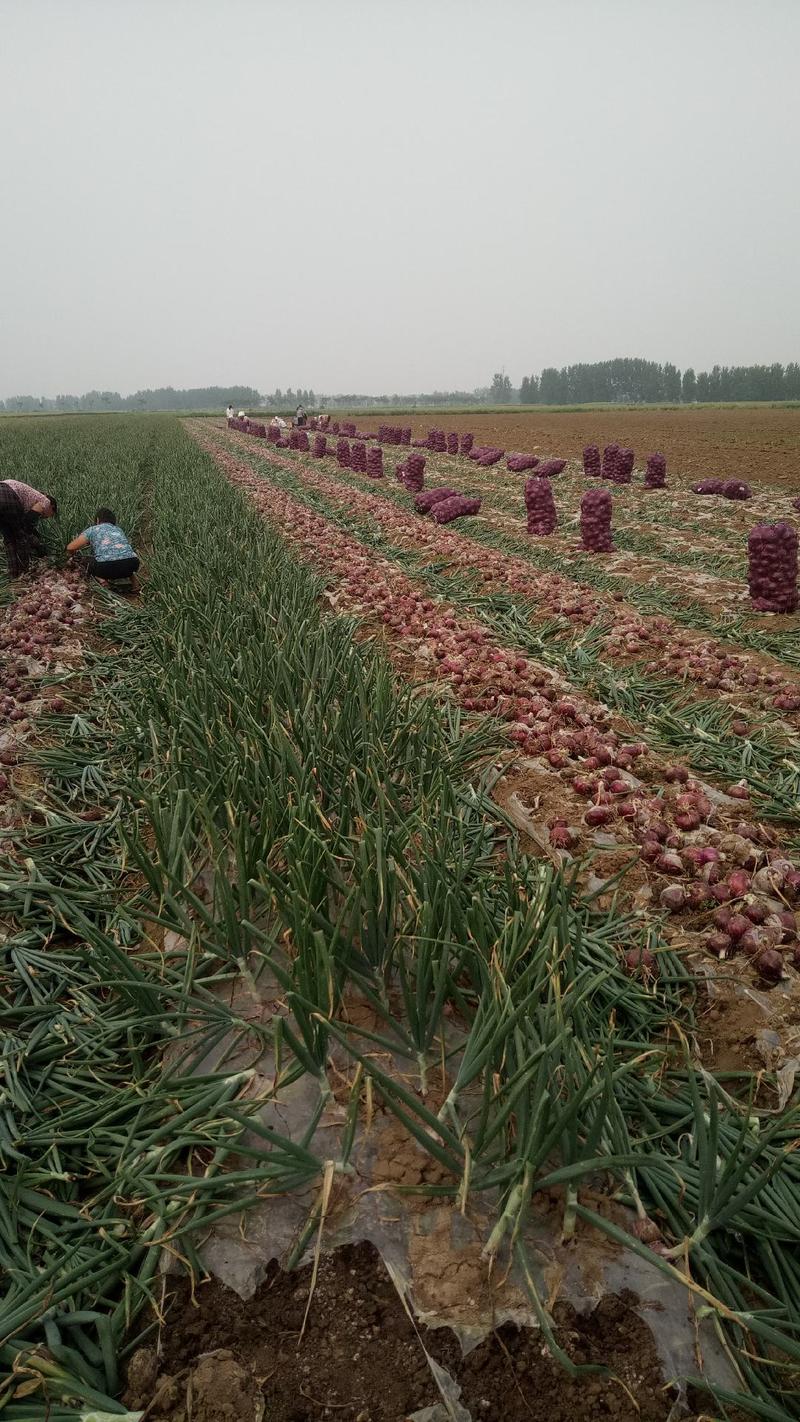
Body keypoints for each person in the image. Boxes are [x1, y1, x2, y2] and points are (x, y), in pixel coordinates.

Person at [66, 507, 141, 590]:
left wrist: (73, 556)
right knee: (124, 556)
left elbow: (70, 547)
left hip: (105, 568)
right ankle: (135, 585)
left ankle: (102, 581)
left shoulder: (93, 529)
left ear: (97, 520)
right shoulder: (118, 529)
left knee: (83, 560)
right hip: (132, 564)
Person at [0, 479, 58, 577]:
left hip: (4, 492)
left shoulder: (29, 500)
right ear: (52, 507)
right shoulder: (45, 501)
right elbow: (28, 524)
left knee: (9, 539)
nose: (44, 517)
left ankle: (13, 577)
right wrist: (38, 545)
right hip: (8, 495)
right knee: (21, 539)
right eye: (49, 515)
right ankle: (23, 575)